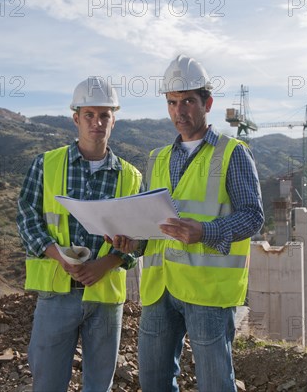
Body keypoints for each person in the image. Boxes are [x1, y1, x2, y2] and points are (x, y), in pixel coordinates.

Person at [109, 55, 264, 391]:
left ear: (207, 103)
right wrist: (133, 243)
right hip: (159, 288)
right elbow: (152, 224)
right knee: (153, 382)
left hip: (207, 291)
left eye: (188, 102)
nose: (179, 112)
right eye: (172, 103)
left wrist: (206, 231)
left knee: (214, 382)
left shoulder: (232, 153)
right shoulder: (157, 158)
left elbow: (253, 217)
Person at [16, 76, 142, 392]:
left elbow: (140, 239)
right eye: (89, 115)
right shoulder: (45, 165)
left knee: (99, 386)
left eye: (104, 115)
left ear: (114, 119)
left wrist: (108, 263)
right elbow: (27, 218)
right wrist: (57, 255)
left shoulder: (130, 176)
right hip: (56, 294)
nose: (97, 122)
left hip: (105, 297)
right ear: (76, 118)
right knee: (47, 383)